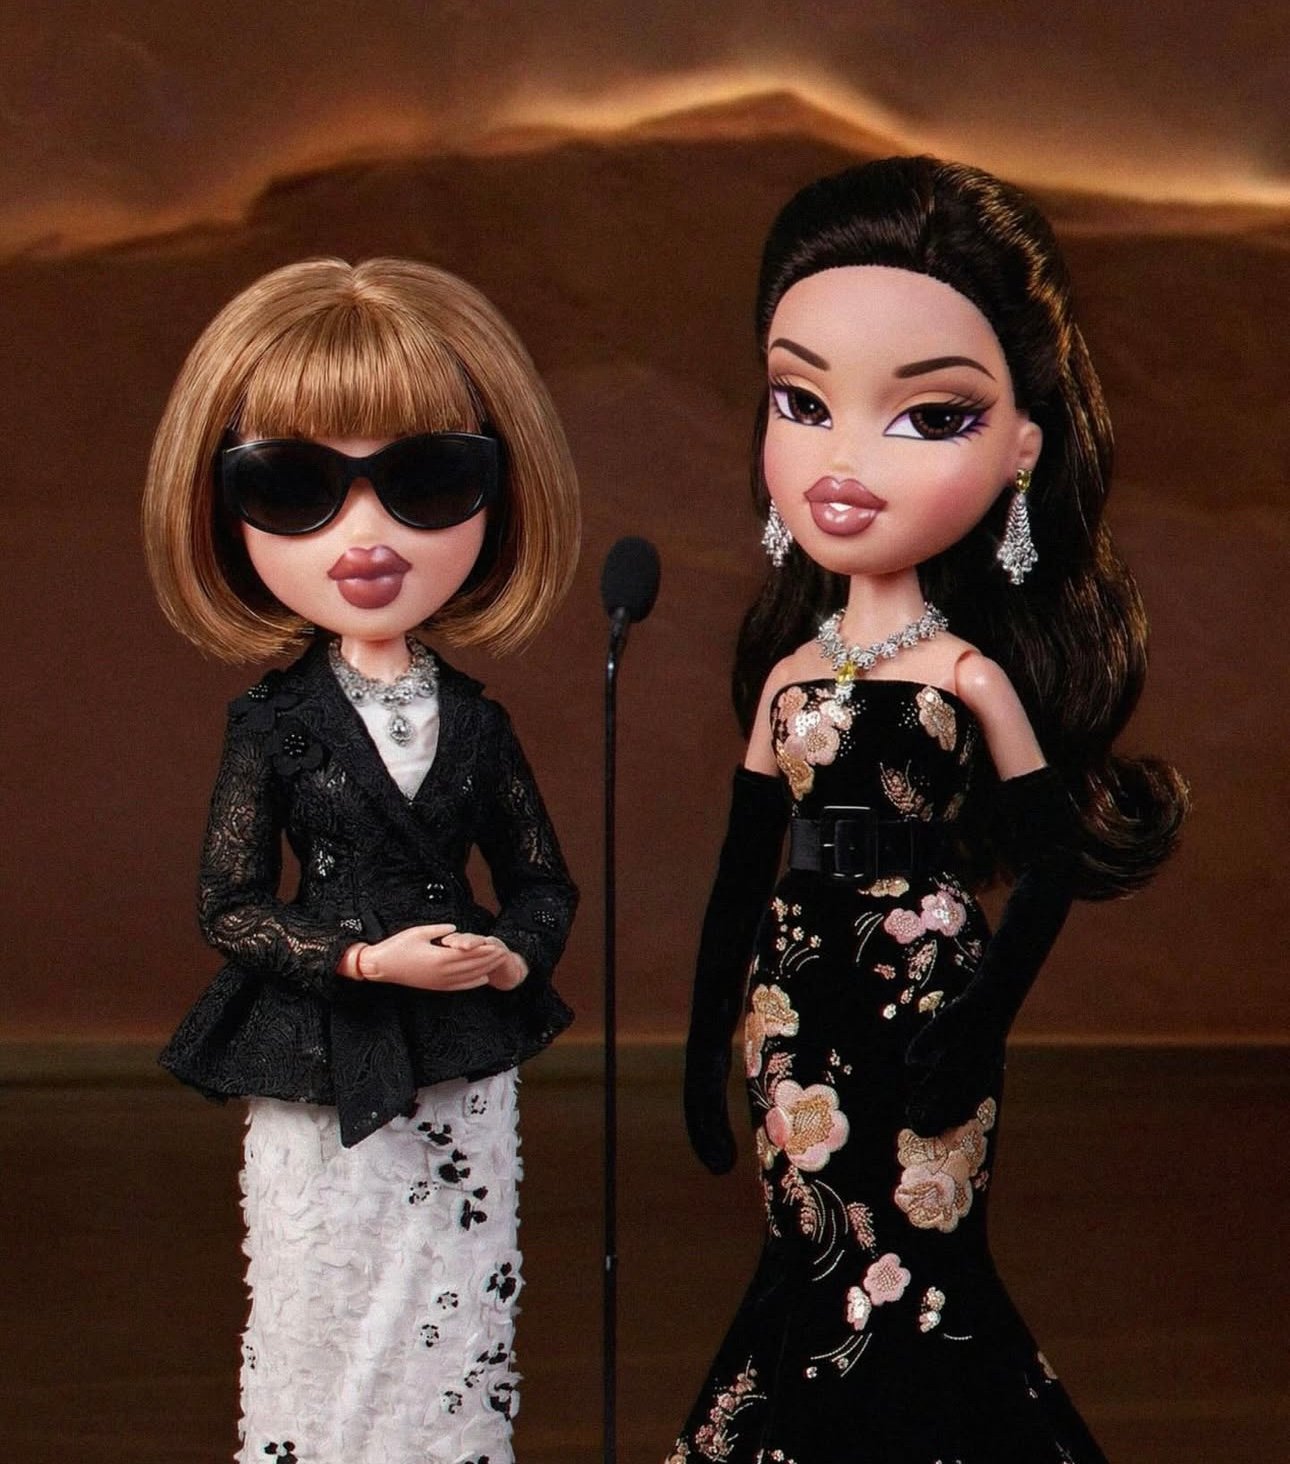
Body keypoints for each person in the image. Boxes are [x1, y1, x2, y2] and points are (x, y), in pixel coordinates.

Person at [674, 157, 1186, 1462]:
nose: (842, 460)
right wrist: (702, 1039)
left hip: (924, 992)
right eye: (801, 402)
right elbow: (738, 872)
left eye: (929, 415)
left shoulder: (964, 676)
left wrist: (979, 1017)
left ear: (1022, 447)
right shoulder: (789, 676)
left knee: (922, 1252)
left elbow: (1049, 863)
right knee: (805, 1246)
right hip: (794, 995)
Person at [142, 257, 580, 1464]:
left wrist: (511, 955)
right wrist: (365, 961)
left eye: (429, 480)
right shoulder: (273, 724)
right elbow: (229, 903)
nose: (366, 533)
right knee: (320, 1307)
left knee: (449, 1303)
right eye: (292, 489)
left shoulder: (478, 723)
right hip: (321, 1045)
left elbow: (541, 879)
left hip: (458, 1052)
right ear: (222, 507)